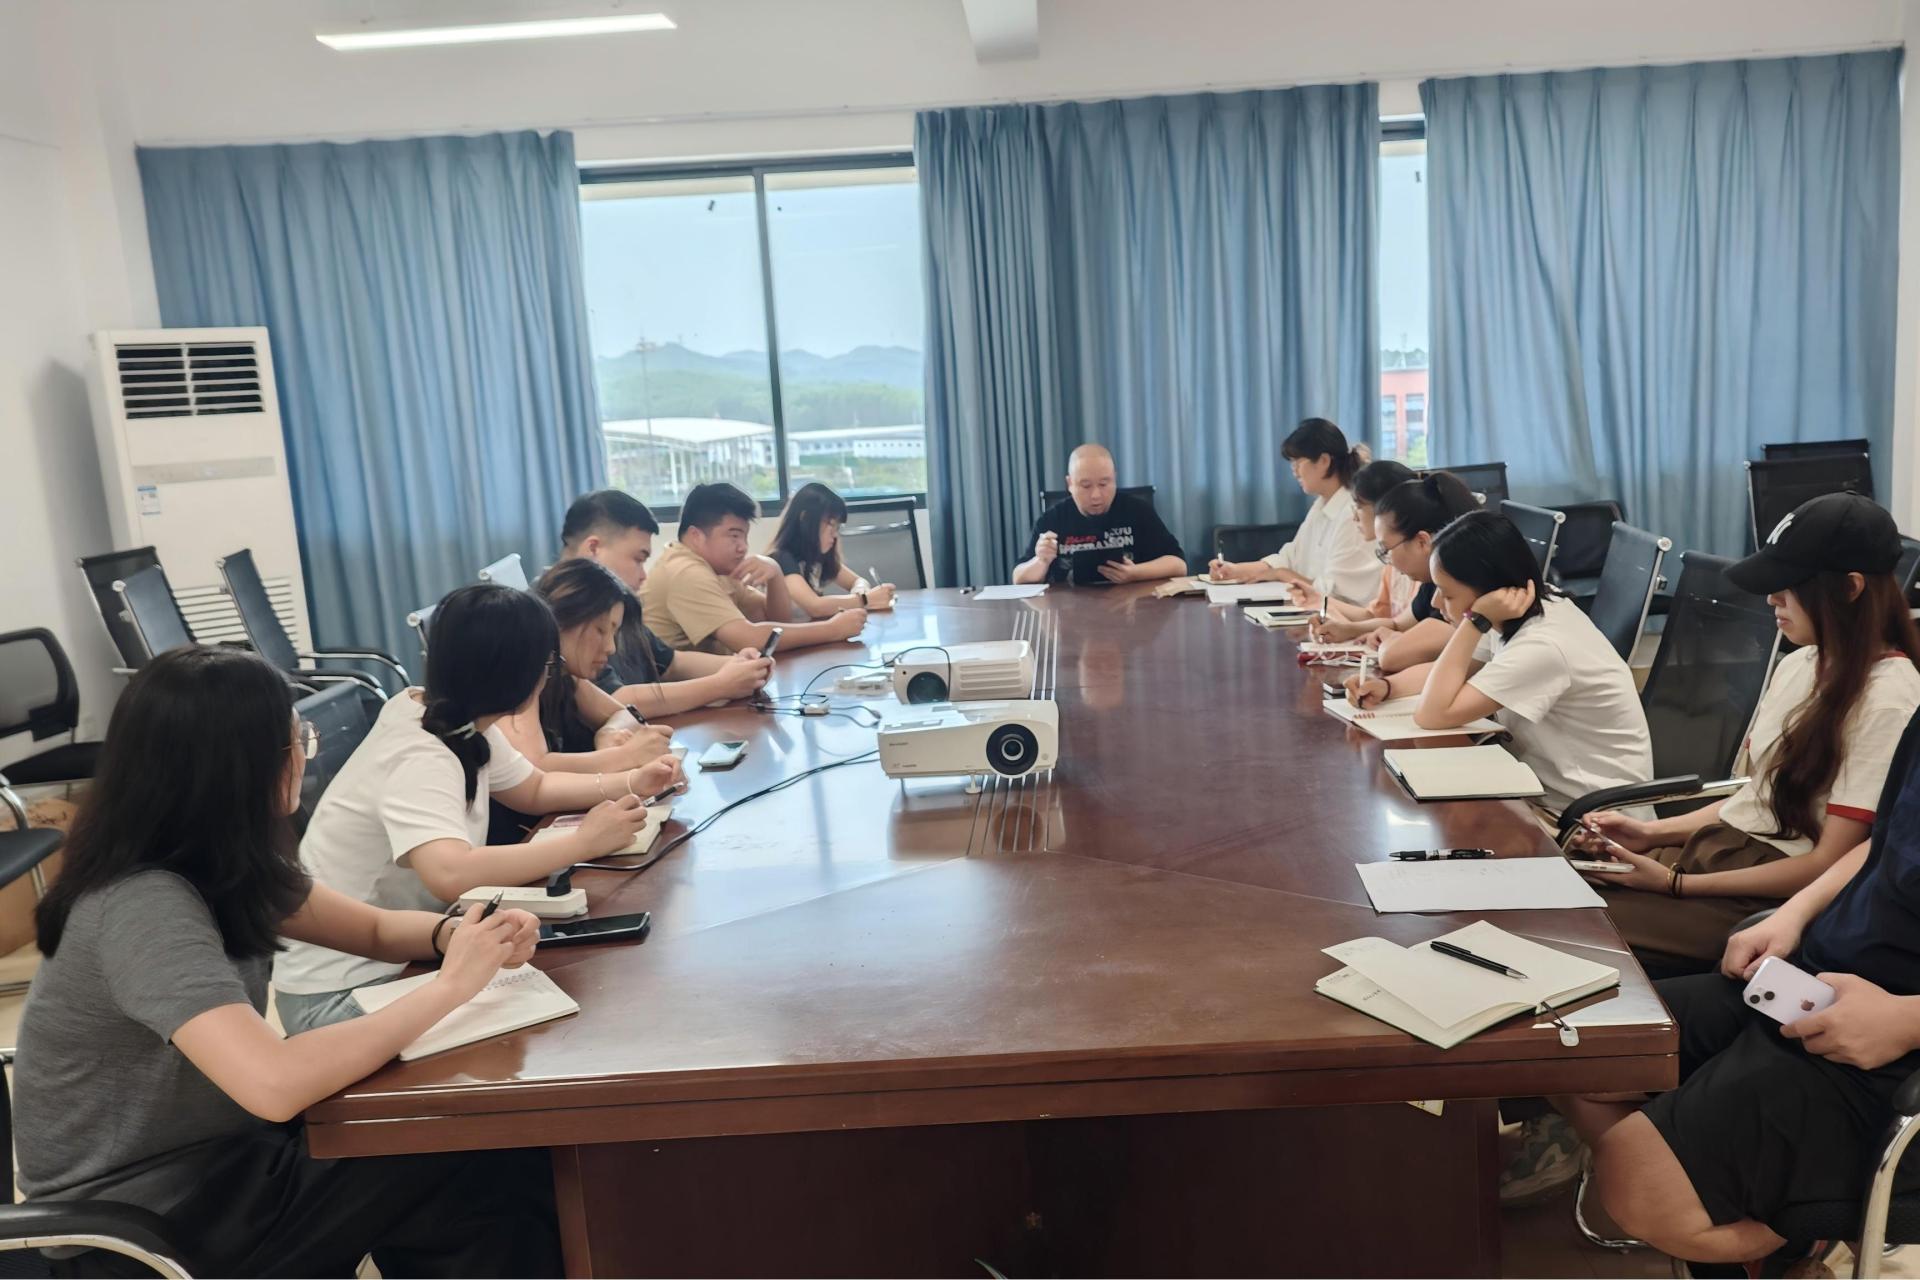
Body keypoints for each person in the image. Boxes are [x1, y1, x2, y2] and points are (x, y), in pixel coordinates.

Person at [12, 645, 561, 1276]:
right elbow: (273, 1084)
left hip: (221, 1164)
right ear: (247, 766)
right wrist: (450, 986)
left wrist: (459, 935)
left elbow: (375, 929)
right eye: (298, 739)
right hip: (144, 1228)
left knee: (470, 1177)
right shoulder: (141, 905)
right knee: (472, 1151)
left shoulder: (216, 859)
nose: (305, 753)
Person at [1557, 710, 1920, 1270]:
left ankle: (1783, 1236)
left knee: (1642, 1184)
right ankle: (1765, 1225)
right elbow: (1884, 842)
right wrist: (1794, 914)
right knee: (1571, 1049)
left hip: (1889, 1039)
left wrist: (1905, 1021)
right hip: (1814, 980)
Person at [273, 584, 683, 1032]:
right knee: (561, 1017)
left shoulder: (454, 716)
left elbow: (534, 787)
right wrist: (582, 842)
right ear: (521, 672)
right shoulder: (421, 750)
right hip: (343, 992)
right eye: (548, 665)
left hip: (403, 955)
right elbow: (449, 871)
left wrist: (633, 781)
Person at [1576, 495, 1920, 970]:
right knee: (1561, 888)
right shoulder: (1800, 663)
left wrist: (1676, 884)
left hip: (1763, 893)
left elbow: (1828, 864)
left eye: (1789, 585)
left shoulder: (1889, 700)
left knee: (1574, 928)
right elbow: (1757, 798)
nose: (1772, 598)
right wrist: (1650, 833)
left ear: (1849, 588)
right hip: (1719, 855)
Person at [1346, 509, 1652, 812]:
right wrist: (1389, 687)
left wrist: (1474, 622)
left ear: (1490, 591)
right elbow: (1456, 670)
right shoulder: (1520, 610)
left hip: (1590, 818)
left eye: (1447, 594)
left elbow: (1433, 714)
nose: (1436, 603)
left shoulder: (1541, 646)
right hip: (1539, 793)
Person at [485, 558, 690, 844]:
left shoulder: (565, 675)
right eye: (601, 630)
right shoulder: (524, 674)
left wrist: (608, 734)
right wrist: (624, 757)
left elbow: (624, 714)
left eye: (614, 633)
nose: (611, 647)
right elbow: (534, 768)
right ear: (561, 619)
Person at [558, 487, 773, 714]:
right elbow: (613, 700)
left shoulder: (620, 605)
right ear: (594, 548)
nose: (644, 575)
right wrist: (720, 685)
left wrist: (744, 666)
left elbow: (672, 662)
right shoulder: (559, 611)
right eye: (638, 559)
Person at [639, 481, 867, 654]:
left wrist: (775, 575)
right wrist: (833, 629)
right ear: (696, 536)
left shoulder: (718, 570)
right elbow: (750, 638)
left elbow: (774, 621)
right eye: (734, 536)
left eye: (745, 537)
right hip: (685, 697)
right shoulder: (685, 571)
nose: (743, 547)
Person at [1312, 471, 1480, 674]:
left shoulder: (1462, 584)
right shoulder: (1433, 579)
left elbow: (1393, 657)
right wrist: (1346, 630)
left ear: (1422, 542)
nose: (1387, 560)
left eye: (1386, 550)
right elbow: (1398, 624)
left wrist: (1393, 640)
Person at [1208, 417, 1381, 604]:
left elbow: (1334, 593)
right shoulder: (1322, 504)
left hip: (1342, 614)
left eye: (1298, 462)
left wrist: (1282, 574)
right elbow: (1290, 557)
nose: (1295, 471)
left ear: (1323, 461)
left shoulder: (1352, 514)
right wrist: (1235, 570)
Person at [1013, 444, 1187, 586]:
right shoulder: (1053, 519)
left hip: (1132, 608)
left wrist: (1135, 573)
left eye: (1104, 484)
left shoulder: (1138, 511)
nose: (1096, 495)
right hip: (1069, 610)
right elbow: (1018, 578)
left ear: (1114, 479)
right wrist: (1040, 561)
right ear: (1070, 483)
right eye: (1086, 486)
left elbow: (1179, 565)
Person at [1295, 459, 1418, 632]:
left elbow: (1400, 627)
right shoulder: (1391, 562)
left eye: (1359, 507)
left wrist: (1349, 629)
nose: (1354, 517)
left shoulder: (1420, 566)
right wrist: (1319, 600)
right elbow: (1375, 616)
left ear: (1386, 508)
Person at [769, 482, 899, 617]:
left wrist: (860, 591)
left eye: (838, 527)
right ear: (805, 519)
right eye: (831, 525)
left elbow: (858, 581)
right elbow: (815, 607)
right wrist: (865, 600)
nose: (835, 534)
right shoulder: (781, 559)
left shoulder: (817, 557)